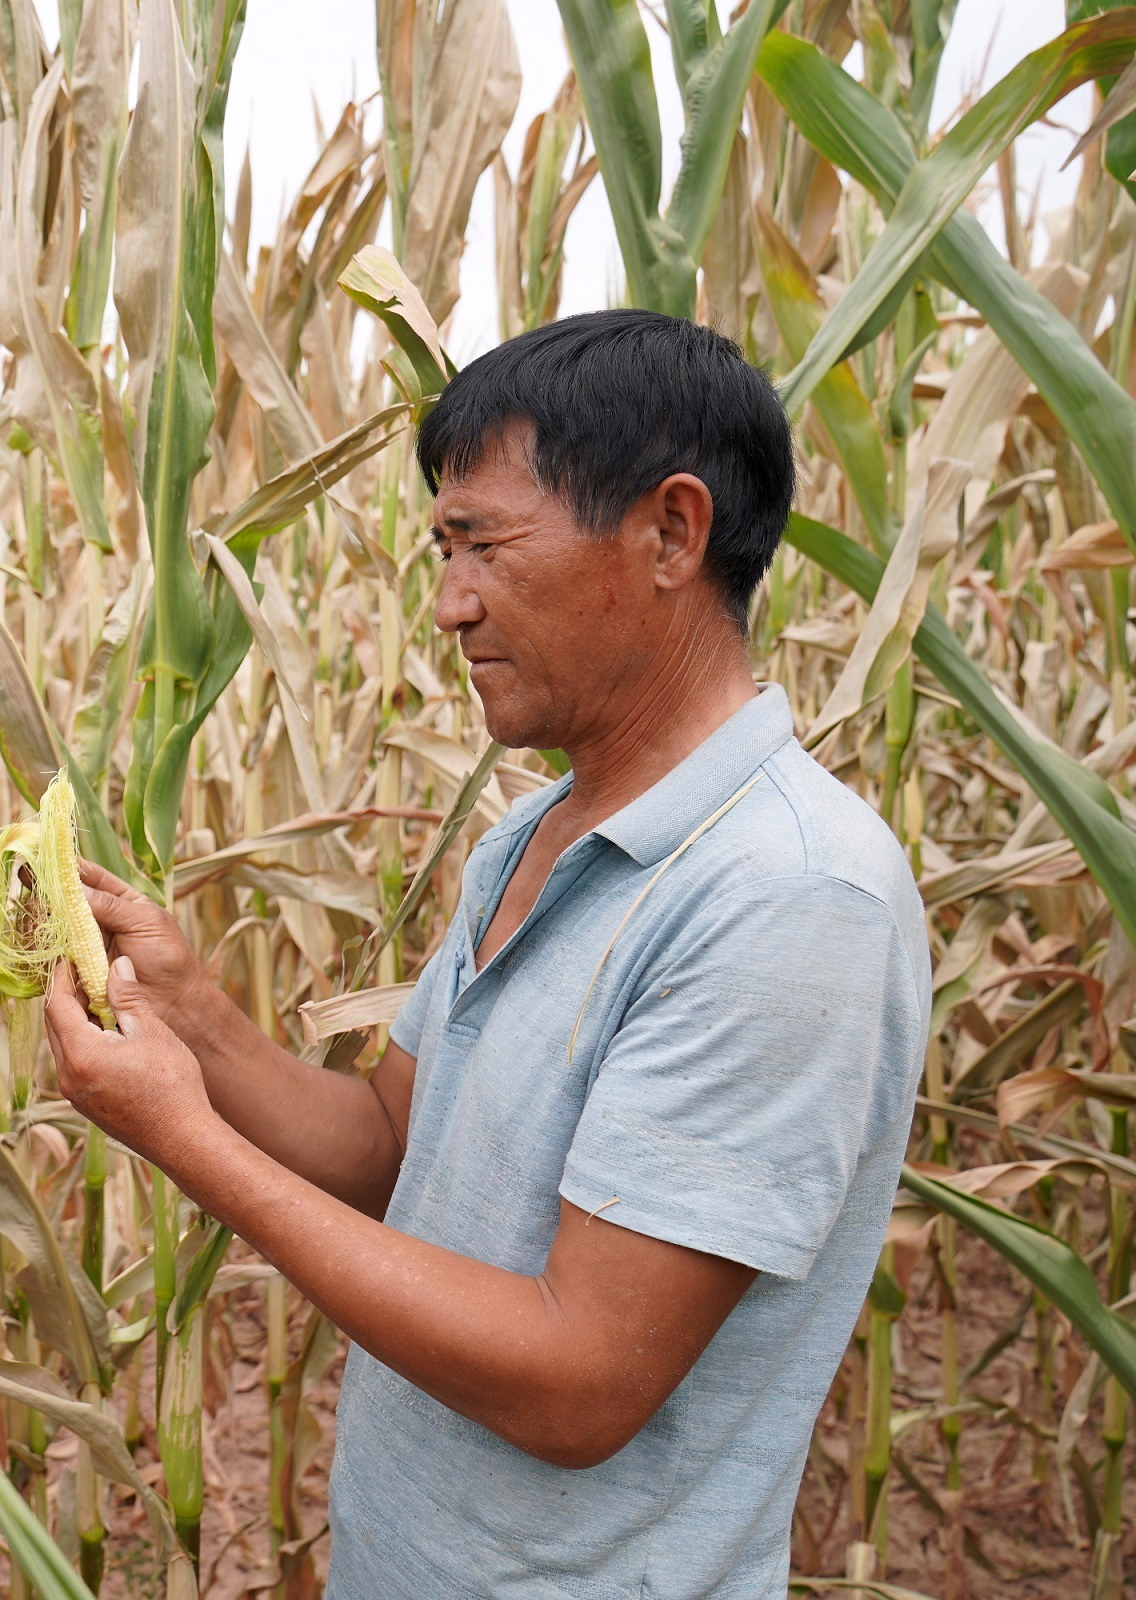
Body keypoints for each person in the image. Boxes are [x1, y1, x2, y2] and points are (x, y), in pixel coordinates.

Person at [45, 310, 928, 1596]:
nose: (450, 606)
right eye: (441, 550)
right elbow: (394, 1147)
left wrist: (185, 1138)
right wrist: (195, 1020)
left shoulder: (788, 899)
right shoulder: (534, 836)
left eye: (485, 547)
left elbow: (581, 1384)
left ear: (671, 532)